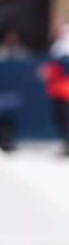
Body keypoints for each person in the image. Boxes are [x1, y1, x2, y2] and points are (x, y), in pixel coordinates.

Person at [43, 21, 69, 156]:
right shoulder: (56, 47)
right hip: (57, 91)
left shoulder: (65, 47)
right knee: (60, 119)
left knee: (66, 120)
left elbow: (63, 69)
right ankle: (66, 145)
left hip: (66, 92)